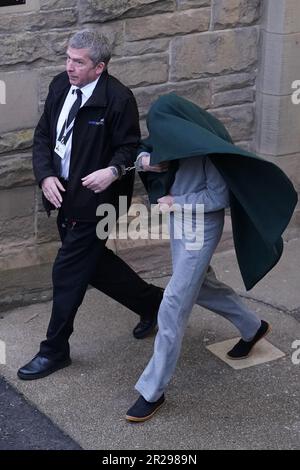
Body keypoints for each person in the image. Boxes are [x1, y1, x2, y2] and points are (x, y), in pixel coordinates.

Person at [125, 93, 298, 422]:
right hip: (179, 224)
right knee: (202, 285)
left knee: (173, 304)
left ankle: (152, 390)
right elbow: (142, 151)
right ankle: (253, 326)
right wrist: (146, 162)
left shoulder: (209, 151)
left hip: (200, 230)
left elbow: (218, 197)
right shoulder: (171, 139)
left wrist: (177, 202)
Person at [17, 30, 166, 381]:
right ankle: (154, 304)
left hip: (98, 203)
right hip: (63, 194)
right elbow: (43, 136)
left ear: (99, 67)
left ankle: (54, 350)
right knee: (93, 264)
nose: (69, 66)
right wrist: (45, 176)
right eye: (68, 58)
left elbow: (130, 147)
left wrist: (112, 171)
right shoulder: (59, 86)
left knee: (67, 272)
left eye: (78, 62)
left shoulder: (117, 99)